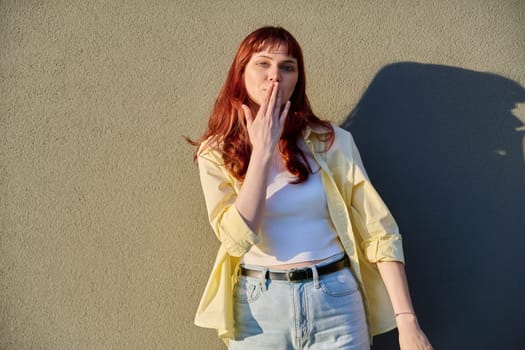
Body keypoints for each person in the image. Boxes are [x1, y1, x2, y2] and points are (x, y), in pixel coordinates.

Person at [189, 26, 433, 350]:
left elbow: (380, 232)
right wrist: (262, 152)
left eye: (287, 66)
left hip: (335, 302)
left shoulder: (333, 143)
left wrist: (407, 322)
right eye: (262, 64)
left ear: (297, 78)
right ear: (241, 72)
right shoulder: (216, 152)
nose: (274, 76)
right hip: (259, 309)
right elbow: (236, 239)